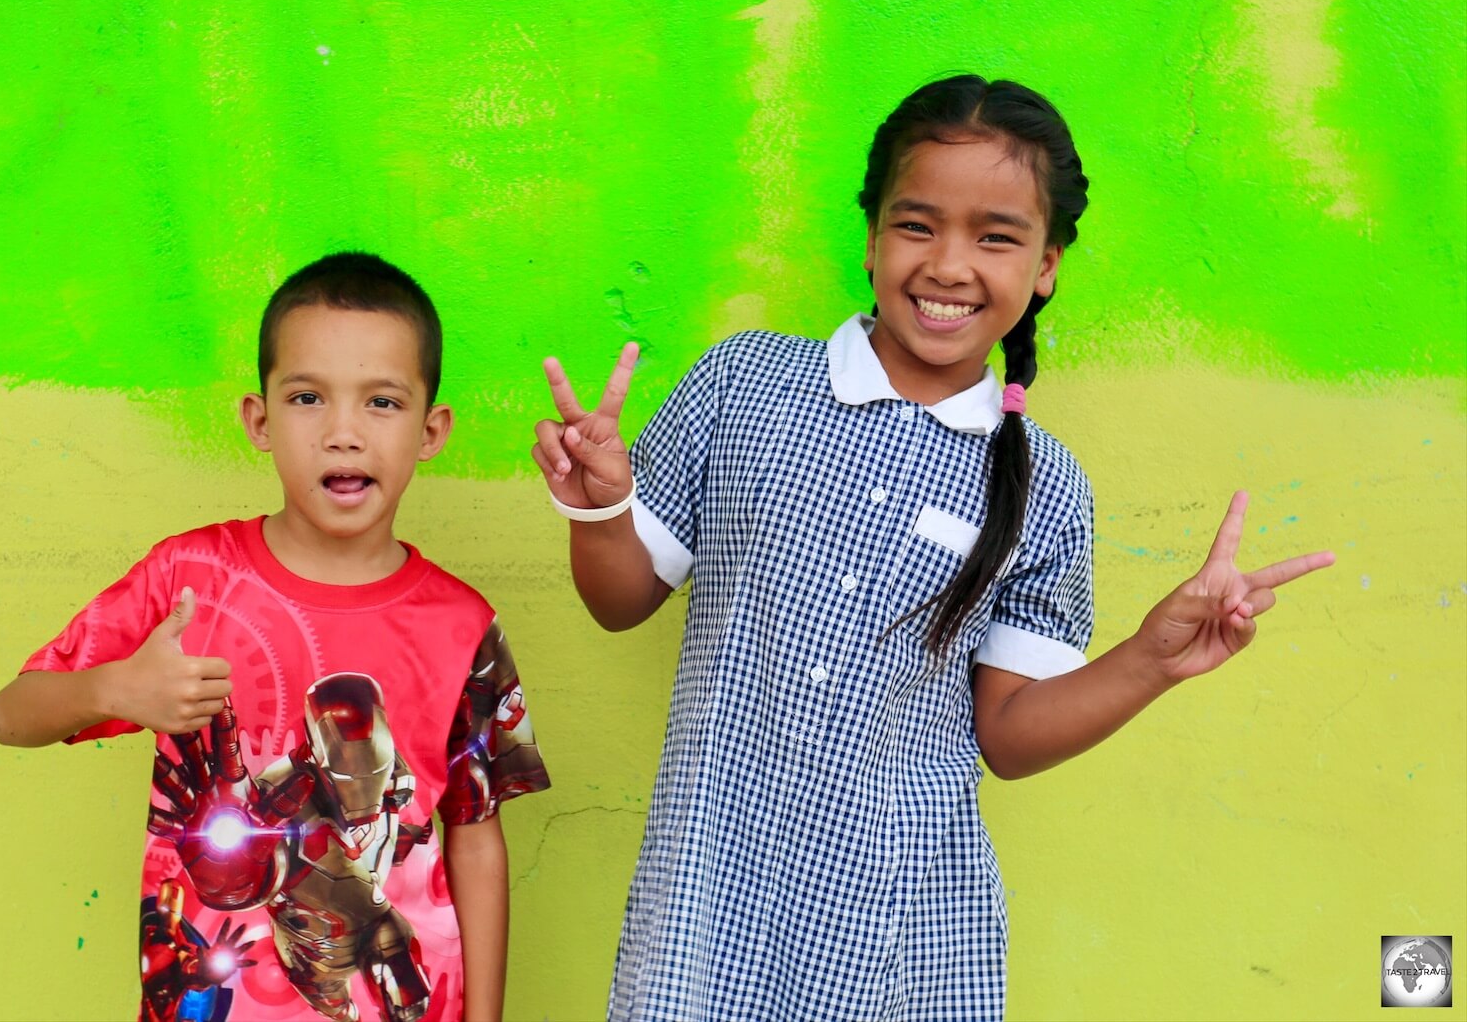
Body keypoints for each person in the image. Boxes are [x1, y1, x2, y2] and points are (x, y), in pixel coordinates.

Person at [529, 75, 1335, 1021]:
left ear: (1046, 266)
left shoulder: (1045, 485)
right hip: (706, 900)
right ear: (871, 238)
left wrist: (1152, 660)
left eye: (997, 236)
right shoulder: (744, 383)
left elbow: (1008, 736)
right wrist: (601, 509)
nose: (950, 265)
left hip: (902, 931)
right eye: (918, 225)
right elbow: (620, 600)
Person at [0, 252, 551, 1022]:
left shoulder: (462, 627)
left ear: (432, 429)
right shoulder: (187, 580)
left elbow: (477, 840)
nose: (344, 433)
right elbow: (9, 714)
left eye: (382, 402)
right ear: (259, 419)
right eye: (308, 397)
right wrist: (114, 689)